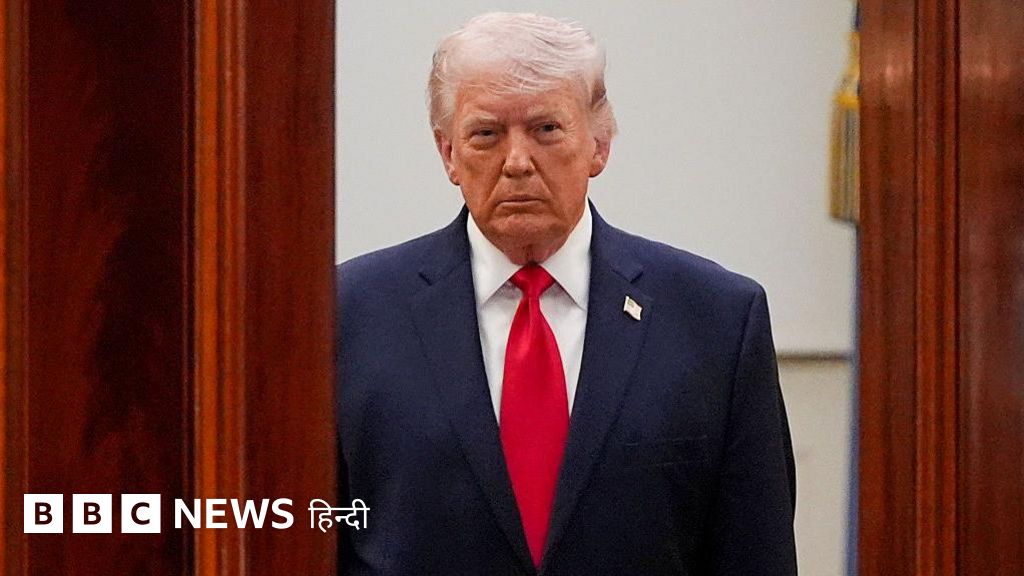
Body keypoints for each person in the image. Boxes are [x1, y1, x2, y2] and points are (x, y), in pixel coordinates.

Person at [335, 12, 796, 575]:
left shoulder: (717, 320)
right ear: (449, 153)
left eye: (546, 129)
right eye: (486, 134)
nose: (517, 162)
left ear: (599, 145)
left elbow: (756, 549)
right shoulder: (349, 314)